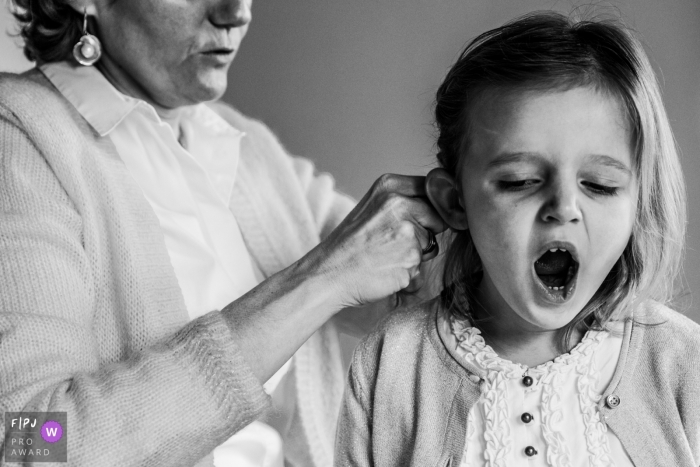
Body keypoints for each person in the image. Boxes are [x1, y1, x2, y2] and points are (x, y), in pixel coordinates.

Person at [0, 0, 445, 466]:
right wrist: (321, 279)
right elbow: (24, 445)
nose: (236, 13)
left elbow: (411, 284)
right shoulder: (20, 139)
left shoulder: (240, 139)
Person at [335, 11, 700, 467]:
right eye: (521, 181)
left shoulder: (684, 361)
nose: (564, 207)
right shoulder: (392, 363)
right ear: (455, 203)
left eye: (601, 185)